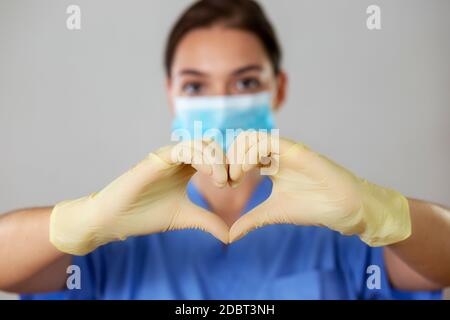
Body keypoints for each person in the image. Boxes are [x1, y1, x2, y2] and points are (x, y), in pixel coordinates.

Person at [0, 0, 449, 300]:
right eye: (196, 84)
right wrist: (88, 219)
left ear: (279, 89)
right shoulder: (121, 232)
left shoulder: (339, 225)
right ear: (171, 93)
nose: (221, 101)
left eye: (246, 81)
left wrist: (381, 211)